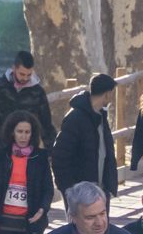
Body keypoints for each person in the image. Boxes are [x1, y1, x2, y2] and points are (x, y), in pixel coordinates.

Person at [51, 72, 119, 200]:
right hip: (79, 192)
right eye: (112, 93)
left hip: (101, 190)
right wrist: (67, 189)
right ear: (107, 93)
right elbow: (59, 155)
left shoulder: (101, 116)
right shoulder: (75, 118)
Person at [0, 49, 54, 153]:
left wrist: (52, 151)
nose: (25, 78)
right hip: (0, 150)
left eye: (29, 75)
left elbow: (46, 125)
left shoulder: (38, 92)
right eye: (22, 74)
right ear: (14, 68)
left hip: (29, 153)